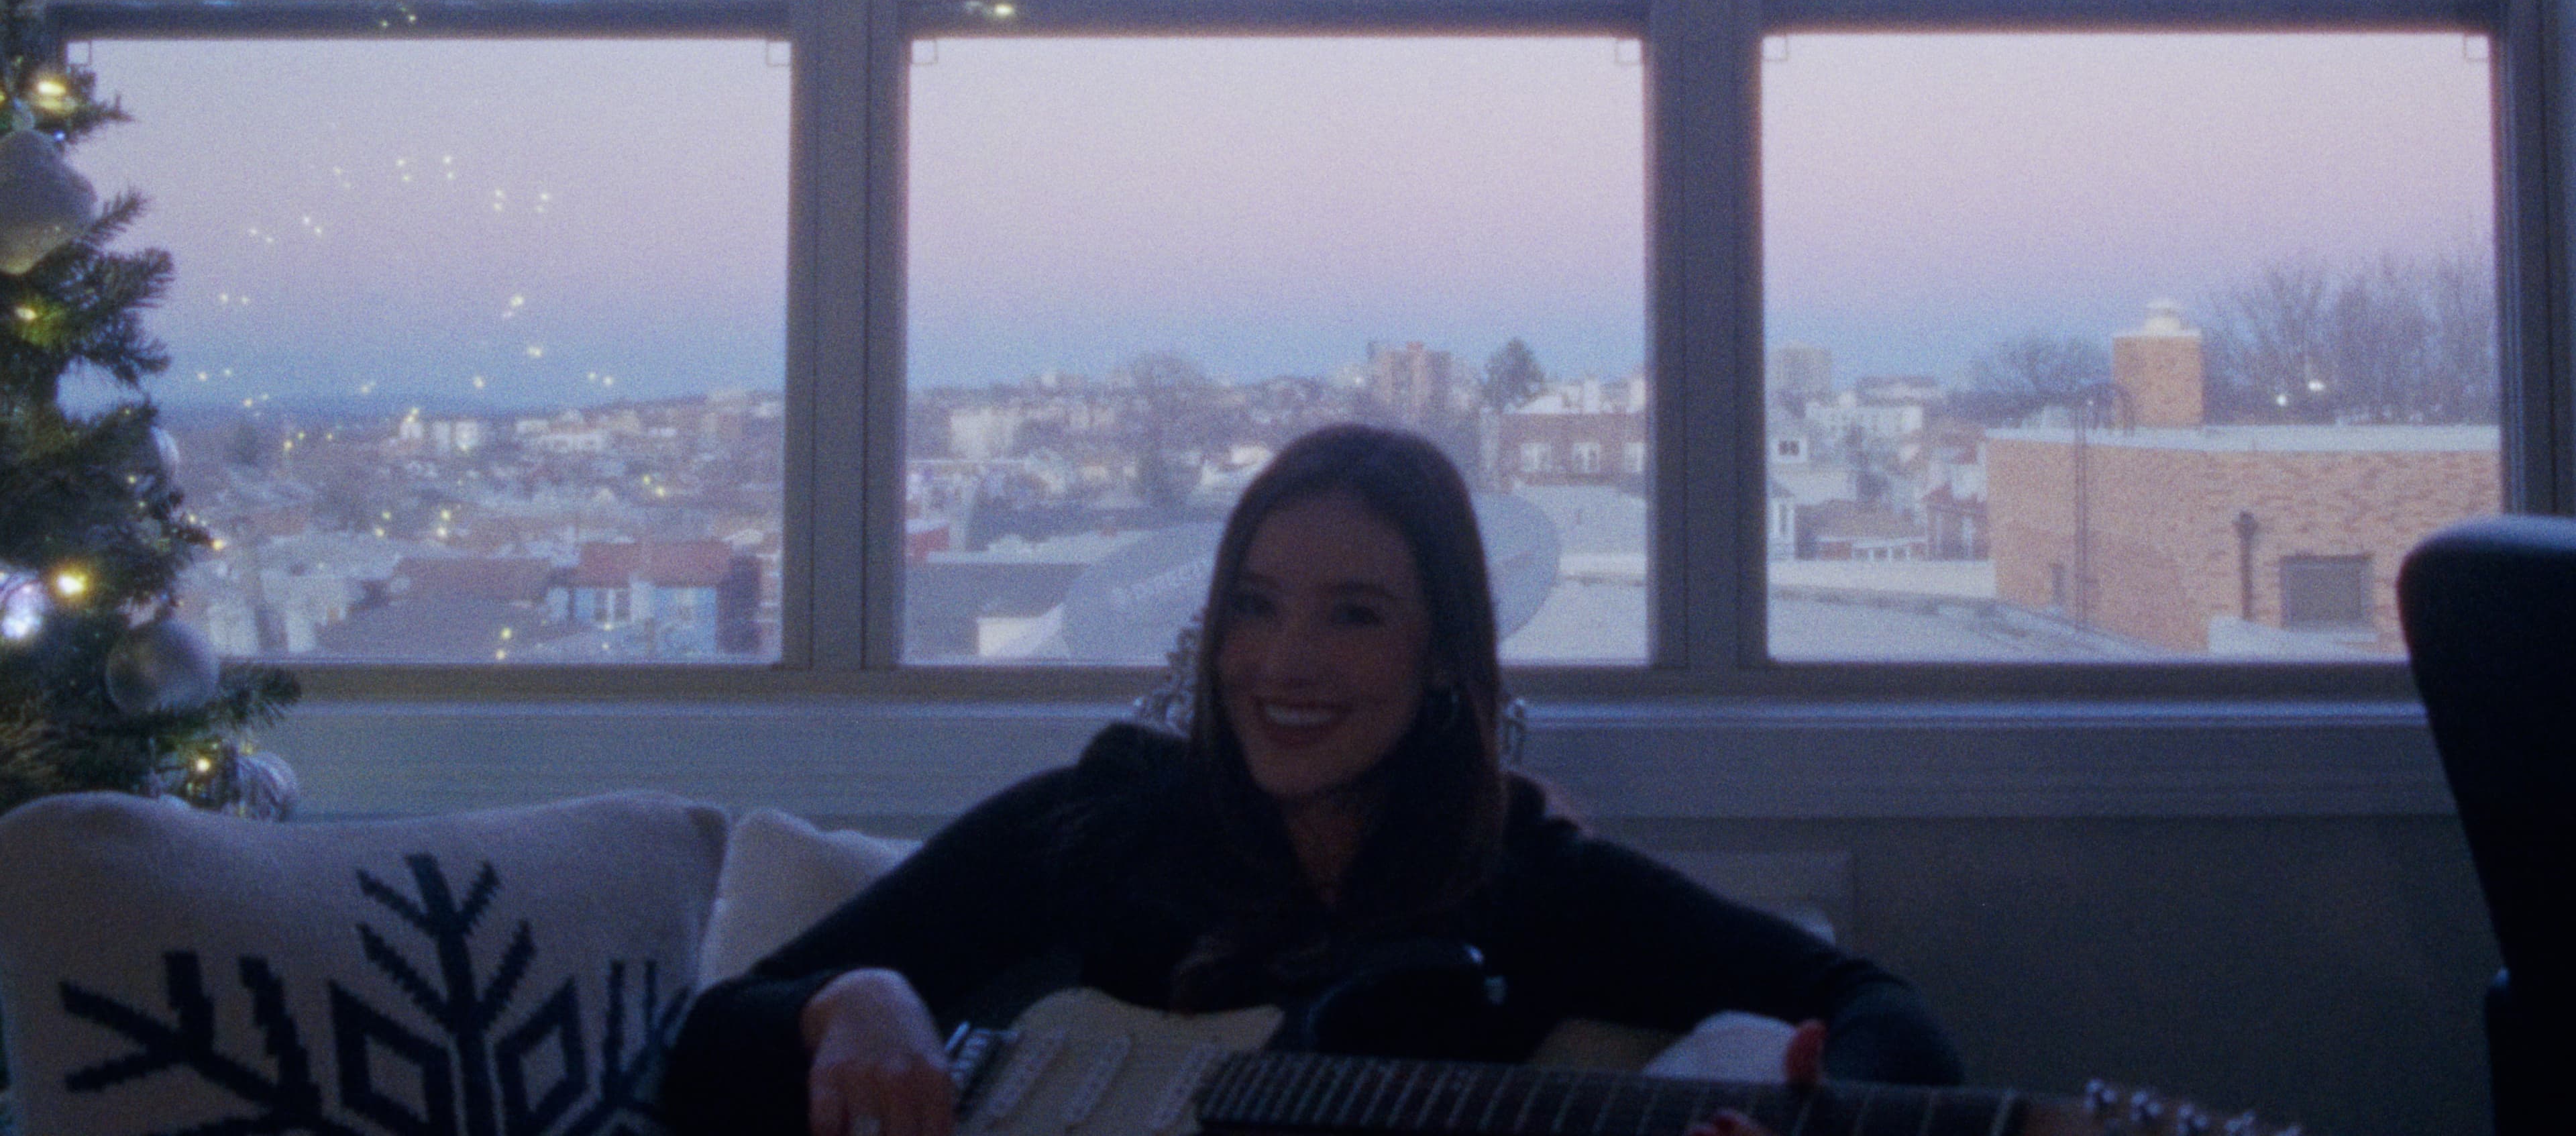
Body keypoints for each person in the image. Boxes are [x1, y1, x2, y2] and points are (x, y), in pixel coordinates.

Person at [661, 425, 1963, 1136]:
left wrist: (1820, 1129)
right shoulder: (1099, 825)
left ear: (1445, 652)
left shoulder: (1532, 884)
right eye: (1257, 607)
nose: (1286, 663)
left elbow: (1872, 1005)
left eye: (1352, 615)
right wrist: (852, 1003)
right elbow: (699, 1057)